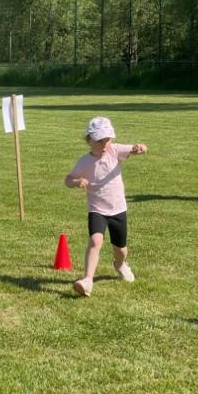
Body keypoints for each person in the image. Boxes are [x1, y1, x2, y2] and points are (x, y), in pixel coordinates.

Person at [65, 116, 147, 297]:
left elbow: (135, 149)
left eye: (107, 140)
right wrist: (76, 182)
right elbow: (68, 179)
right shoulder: (84, 162)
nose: (104, 145)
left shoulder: (115, 151)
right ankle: (87, 281)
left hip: (118, 209)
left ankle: (120, 264)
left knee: (121, 249)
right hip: (97, 209)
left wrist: (139, 148)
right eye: (99, 141)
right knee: (95, 241)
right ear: (89, 140)